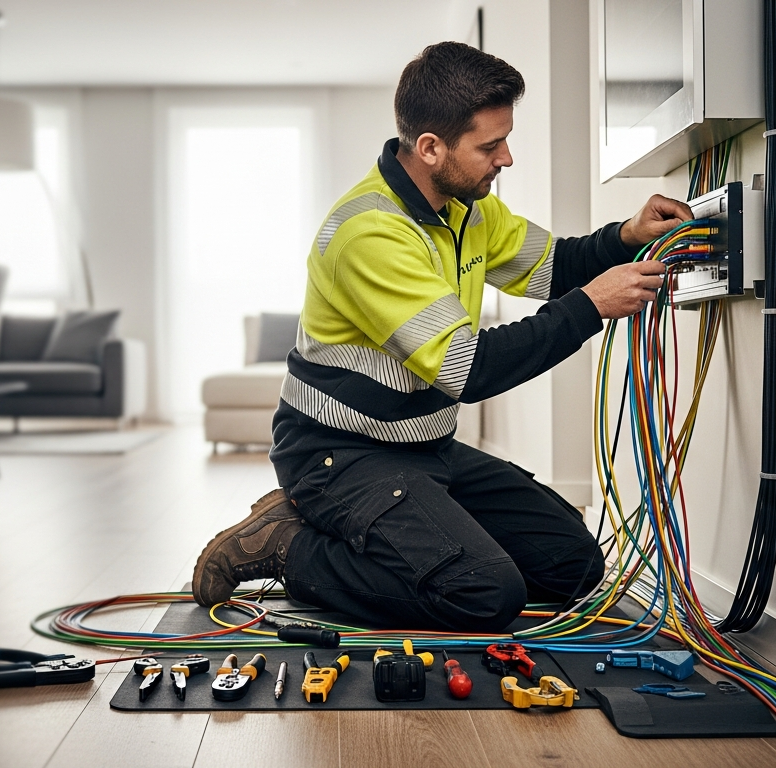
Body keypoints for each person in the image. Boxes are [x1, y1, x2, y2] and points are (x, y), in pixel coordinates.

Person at [192, 41, 692, 632]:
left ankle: (413, 550)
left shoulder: (465, 207)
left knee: (573, 567)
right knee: (485, 595)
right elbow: (469, 369)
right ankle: (286, 545)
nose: (506, 157)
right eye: (490, 145)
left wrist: (626, 235)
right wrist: (591, 307)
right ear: (430, 147)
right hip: (337, 455)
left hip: (423, 448)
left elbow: (555, 265)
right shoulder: (369, 233)